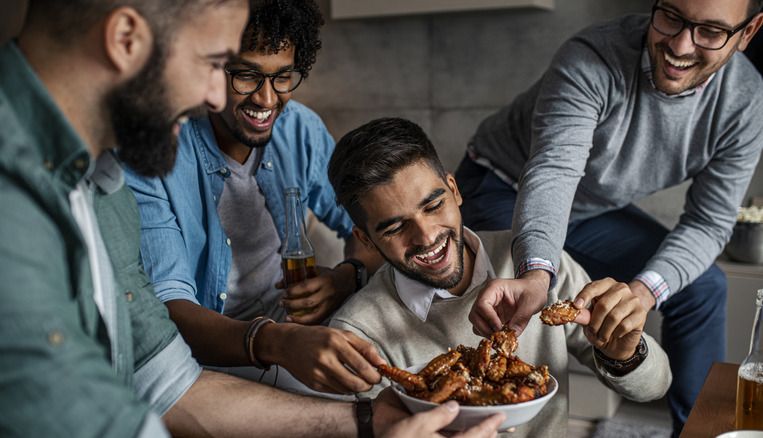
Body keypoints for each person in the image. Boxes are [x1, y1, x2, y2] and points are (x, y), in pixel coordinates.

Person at [0, 1, 506, 436]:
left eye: (281, 77)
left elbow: (164, 381)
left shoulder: (104, 183)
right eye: (217, 63)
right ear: (126, 39)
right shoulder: (41, 192)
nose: (219, 98)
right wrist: (274, 342)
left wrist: (372, 422)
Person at [453, 0, 763, 434]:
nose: (680, 44)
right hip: (501, 185)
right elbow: (554, 172)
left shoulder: (745, 103)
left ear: (748, 33)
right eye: (671, 16)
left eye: (711, 32)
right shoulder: (592, 56)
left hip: (590, 207)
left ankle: (703, 432)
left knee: (703, 287)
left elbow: (709, 223)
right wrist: (537, 274)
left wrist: (641, 294)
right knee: (519, 291)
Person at [326, 118, 672, 438]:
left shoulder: (539, 266)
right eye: (395, 227)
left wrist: (625, 354)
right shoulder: (356, 333)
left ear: (454, 190)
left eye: (433, 206)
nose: (427, 236)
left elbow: (656, 386)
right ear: (367, 240)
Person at [124, 0, 384, 394]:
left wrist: (347, 278)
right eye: (246, 76)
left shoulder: (301, 129)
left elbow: (371, 228)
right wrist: (276, 343)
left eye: (283, 77)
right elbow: (168, 309)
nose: (266, 100)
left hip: (293, 342)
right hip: (207, 367)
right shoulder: (157, 151)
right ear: (211, 70)